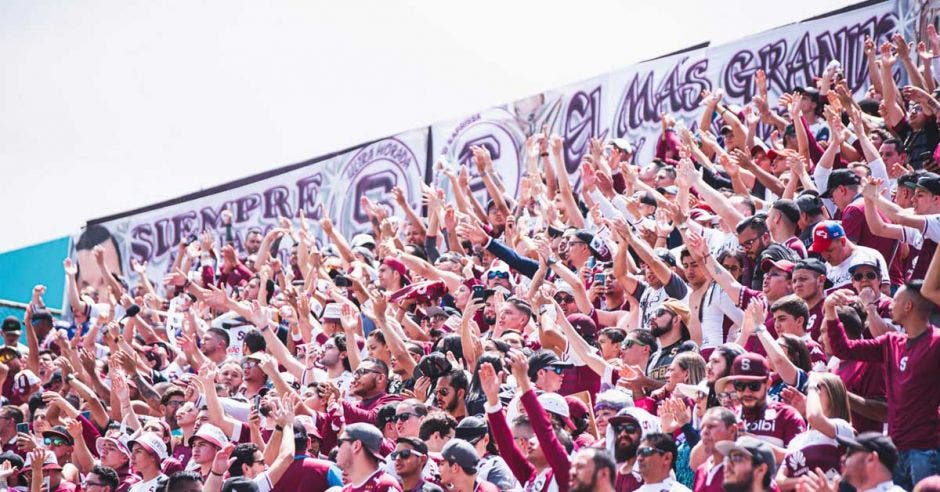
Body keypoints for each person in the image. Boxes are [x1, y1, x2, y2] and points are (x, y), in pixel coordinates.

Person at [823, 281, 940, 489]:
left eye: (895, 300)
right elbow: (843, 349)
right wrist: (830, 310)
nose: (889, 305)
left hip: (926, 450)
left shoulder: (936, 343)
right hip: (895, 450)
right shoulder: (891, 343)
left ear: (908, 306)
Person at [335, 423, 402, 492]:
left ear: (356, 446)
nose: (337, 448)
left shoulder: (384, 485)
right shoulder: (346, 490)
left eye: (340, 443)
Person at [691, 407, 739, 492]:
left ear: (732, 430)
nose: (704, 432)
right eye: (702, 427)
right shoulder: (701, 469)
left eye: (711, 426)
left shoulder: (742, 470)